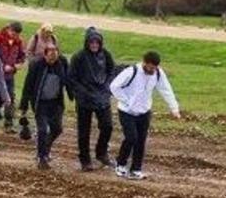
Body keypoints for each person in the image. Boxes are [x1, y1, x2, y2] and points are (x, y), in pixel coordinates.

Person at [110, 51, 181, 180]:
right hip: (127, 111)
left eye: (155, 68)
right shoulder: (132, 72)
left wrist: (174, 108)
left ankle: (136, 169)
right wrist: (126, 100)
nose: (152, 70)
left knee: (141, 140)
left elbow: (166, 90)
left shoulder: (158, 74)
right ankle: (121, 164)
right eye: (150, 67)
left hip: (144, 112)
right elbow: (114, 86)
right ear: (144, 63)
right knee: (131, 137)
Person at [68, 28, 116, 172]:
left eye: (97, 42)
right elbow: (72, 78)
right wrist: (82, 92)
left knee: (107, 126)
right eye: (91, 42)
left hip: (102, 96)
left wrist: (107, 87)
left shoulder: (106, 55)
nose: (94, 44)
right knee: (84, 131)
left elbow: (111, 71)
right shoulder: (79, 57)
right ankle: (85, 160)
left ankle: (101, 152)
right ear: (87, 42)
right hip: (85, 99)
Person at [19, 43, 72, 170]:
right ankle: (41, 157)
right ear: (45, 55)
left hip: (56, 103)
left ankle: (45, 147)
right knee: (42, 130)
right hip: (40, 103)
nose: (53, 59)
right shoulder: (37, 65)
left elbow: (67, 79)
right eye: (50, 55)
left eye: (55, 55)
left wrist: (72, 94)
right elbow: (28, 85)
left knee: (57, 129)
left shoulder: (62, 63)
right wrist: (24, 106)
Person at [0, 21, 26, 131]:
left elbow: (22, 58)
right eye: (13, 33)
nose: (15, 36)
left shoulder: (19, 42)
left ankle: (8, 123)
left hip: (9, 75)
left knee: (10, 98)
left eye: (17, 35)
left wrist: (13, 67)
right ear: (9, 29)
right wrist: (0, 66)